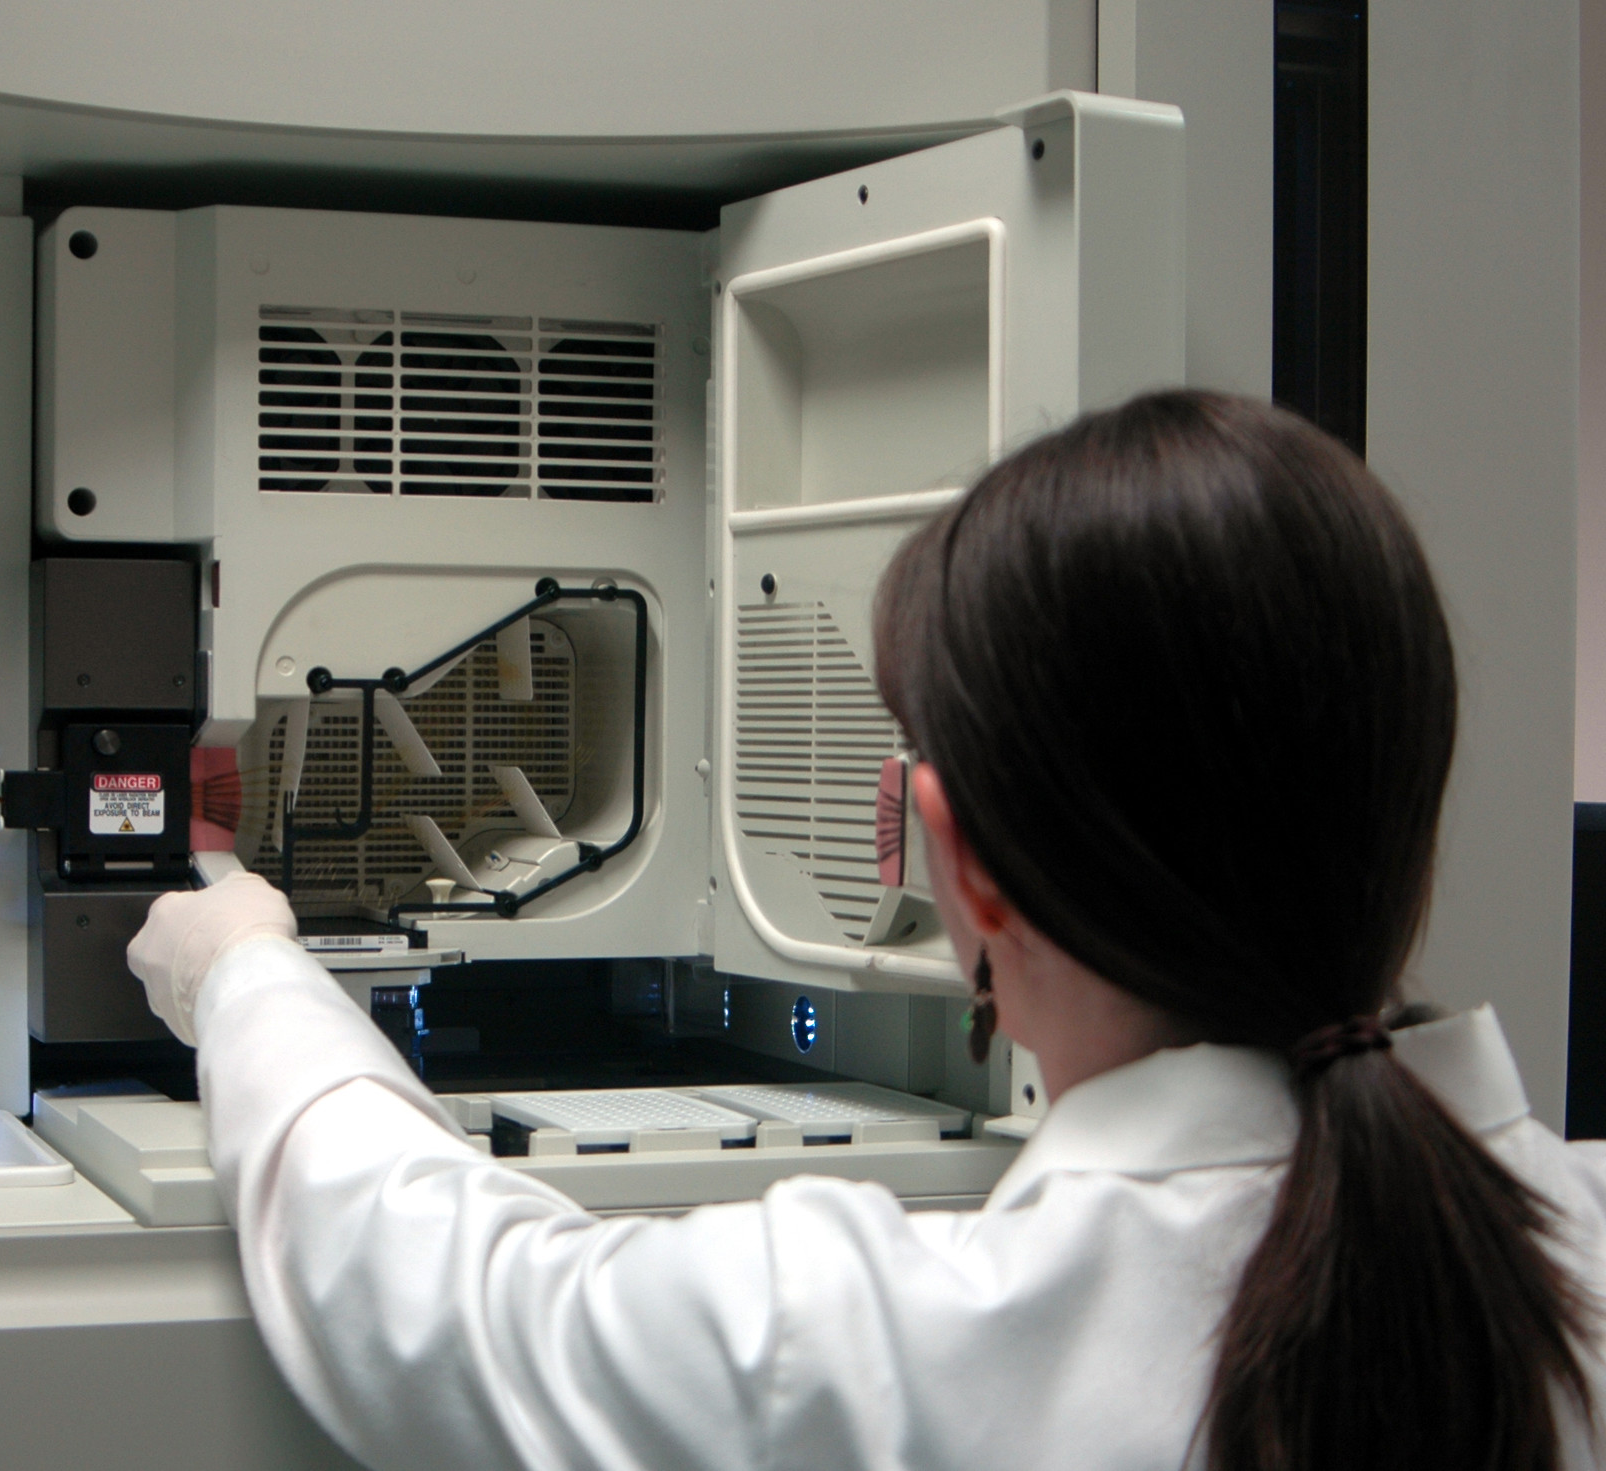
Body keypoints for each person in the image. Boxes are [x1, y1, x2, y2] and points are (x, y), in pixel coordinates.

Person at [128, 390, 1606, 1471]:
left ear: (950, 855)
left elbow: (446, 1304)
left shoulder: (888, 1346)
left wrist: (248, 971)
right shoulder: (1571, 1248)